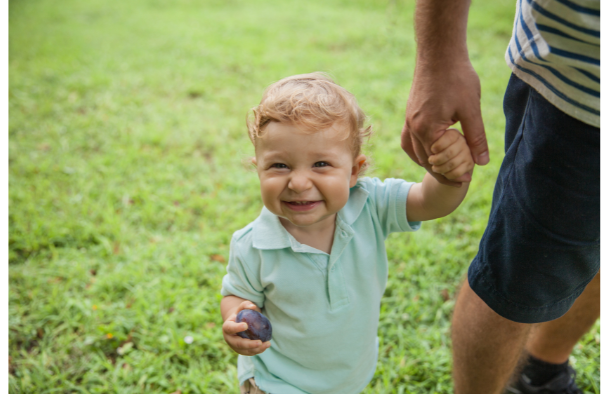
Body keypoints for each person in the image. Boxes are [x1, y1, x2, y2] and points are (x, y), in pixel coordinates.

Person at [220, 72, 475, 394]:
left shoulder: (371, 205)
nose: (298, 183)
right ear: (258, 167)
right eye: (279, 166)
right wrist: (236, 318)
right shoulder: (252, 244)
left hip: (347, 377)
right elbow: (237, 294)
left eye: (321, 164)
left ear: (354, 170)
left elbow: (431, 201)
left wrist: (449, 174)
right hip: (278, 381)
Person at [401, 0, 600, 393]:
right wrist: (439, 55)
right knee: (519, 273)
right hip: (579, 87)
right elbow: (426, 202)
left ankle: (540, 374)